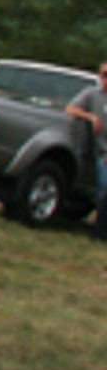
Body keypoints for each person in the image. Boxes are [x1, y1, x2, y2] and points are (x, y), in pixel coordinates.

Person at [64, 64, 107, 241]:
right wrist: (91, 117)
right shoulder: (92, 94)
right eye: (104, 75)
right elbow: (70, 109)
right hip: (100, 152)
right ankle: (99, 233)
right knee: (104, 192)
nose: (105, 79)